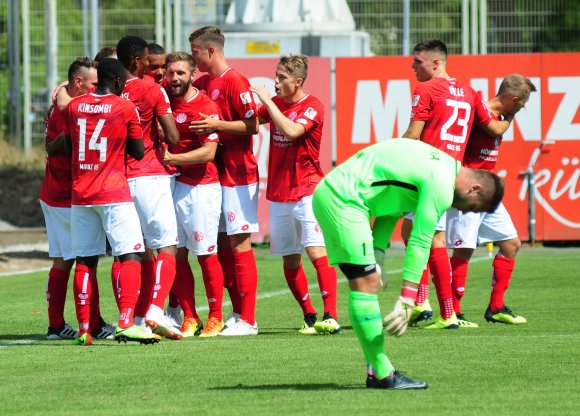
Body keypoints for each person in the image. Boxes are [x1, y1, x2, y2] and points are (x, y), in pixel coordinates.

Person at [312, 138, 505, 389]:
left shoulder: (442, 165)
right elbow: (420, 240)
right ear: (475, 189)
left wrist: (378, 250)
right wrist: (407, 300)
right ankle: (382, 374)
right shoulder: (442, 184)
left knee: (367, 279)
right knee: (366, 283)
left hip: (341, 196)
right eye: (473, 208)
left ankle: (377, 370)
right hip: (344, 201)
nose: (467, 212)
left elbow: (391, 205)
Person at [385, 39, 512, 330]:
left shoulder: (427, 89)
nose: (412, 66)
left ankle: (444, 313)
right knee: (411, 231)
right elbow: (493, 127)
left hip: (427, 172)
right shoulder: (468, 91)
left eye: (417, 62)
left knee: (434, 239)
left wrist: (388, 158)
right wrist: (510, 117)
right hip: (450, 172)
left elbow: (413, 134)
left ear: (436, 63)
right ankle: (424, 303)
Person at [63, 57, 159, 345]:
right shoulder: (124, 107)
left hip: (81, 194)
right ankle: (126, 322)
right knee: (129, 254)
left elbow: (69, 146)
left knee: (85, 259)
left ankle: (83, 328)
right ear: (118, 82)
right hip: (114, 192)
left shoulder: (75, 106)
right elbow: (139, 151)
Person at [250, 55, 340, 335]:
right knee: (290, 258)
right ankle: (310, 315)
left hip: (308, 190)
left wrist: (266, 101)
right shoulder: (276, 104)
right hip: (279, 193)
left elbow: (291, 131)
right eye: (275, 76)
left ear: (298, 81)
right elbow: (250, 122)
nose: (275, 82)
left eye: (281, 78)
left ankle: (331, 315)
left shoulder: (313, 106)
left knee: (316, 251)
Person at [447, 74, 536, 325]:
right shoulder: (480, 111)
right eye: (522, 103)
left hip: (487, 188)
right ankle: (453, 312)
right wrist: (510, 117)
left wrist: (507, 117)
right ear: (514, 99)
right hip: (469, 187)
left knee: (511, 243)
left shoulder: (498, 117)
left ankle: (496, 307)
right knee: (464, 248)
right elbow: (493, 129)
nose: (522, 108)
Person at [189, 26, 260, 336]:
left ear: (210, 51)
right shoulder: (205, 82)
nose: (193, 59)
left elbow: (252, 125)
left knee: (239, 242)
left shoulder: (236, 81)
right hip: (216, 176)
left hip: (239, 173)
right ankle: (236, 312)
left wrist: (218, 123)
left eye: (194, 53)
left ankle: (250, 319)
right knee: (221, 245)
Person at [41, 57, 114, 341]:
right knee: (85, 259)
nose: (98, 88)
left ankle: (57, 325)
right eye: (94, 83)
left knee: (64, 260)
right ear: (78, 82)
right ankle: (91, 324)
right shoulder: (70, 109)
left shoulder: (67, 101)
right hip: (65, 195)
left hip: (56, 192)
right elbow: (62, 144)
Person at [115, 35, 182, 340]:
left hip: (119, 181)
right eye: (144, 59)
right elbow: (173, 136)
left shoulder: (110, 91)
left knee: (134, 250)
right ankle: (156, 308)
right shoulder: (153, 90)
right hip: (150, 176)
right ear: (136, 62)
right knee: (166, 244)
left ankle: (136, 316)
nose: (148, 64)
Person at [161, 52, 226, 337]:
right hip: (170, 187)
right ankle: (189, 316)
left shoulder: (204, 106)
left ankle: (216, 316)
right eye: (170, 73)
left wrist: (172, 159)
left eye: (180, 74)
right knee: (175, 254)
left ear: (190, 74)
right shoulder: (162, 98)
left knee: (205, 253)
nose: (174, 78)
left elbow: (209, 153)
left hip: (201, 188)